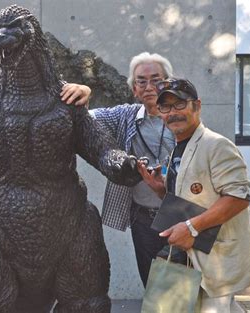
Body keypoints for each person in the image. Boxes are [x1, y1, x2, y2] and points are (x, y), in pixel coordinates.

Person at [60, 52, 185, 287]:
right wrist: (85, 91)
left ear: (168, 83)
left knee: (179, 291)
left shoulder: (183, 118)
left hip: (181, 213)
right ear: (134, 89)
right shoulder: (125, 116)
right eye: (141, 81)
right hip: (144, 219)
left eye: (156, 79)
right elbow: (85, 121)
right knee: (154, 287)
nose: (149, 86)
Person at [138, 78, 250, 312]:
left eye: (179, 104)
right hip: (190, 257)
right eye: (166, 107)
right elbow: (189, 199)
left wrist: (191, 227)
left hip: (216, 259)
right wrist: (161, 190)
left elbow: (238, 198)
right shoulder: (178, 148)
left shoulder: (217, 145)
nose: (173, 113)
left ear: (197, 105)